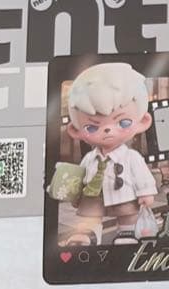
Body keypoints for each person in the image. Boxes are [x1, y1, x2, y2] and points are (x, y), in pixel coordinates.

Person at [63, 62, 158, 246]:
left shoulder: (131, 157)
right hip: (93, 196)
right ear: (75, 131)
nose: (108, 130)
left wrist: (145, 192)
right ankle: (88, 234)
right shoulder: (89, 158)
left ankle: (127, 233)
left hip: (124, 194)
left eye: (123, 123)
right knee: (89, 216)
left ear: (143, 122)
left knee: (128, 215)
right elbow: (79, 177)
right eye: (92, 127)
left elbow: (141, 175)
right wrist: (75, 195)